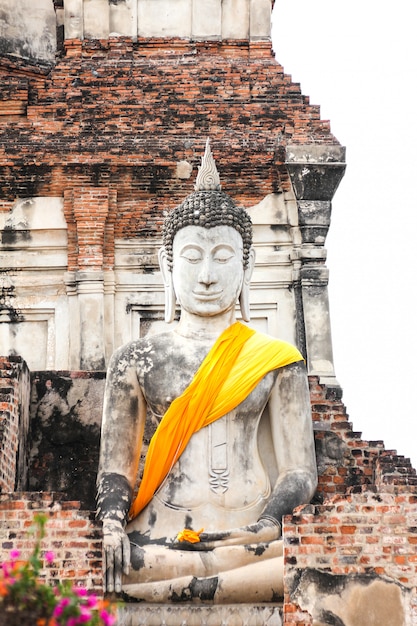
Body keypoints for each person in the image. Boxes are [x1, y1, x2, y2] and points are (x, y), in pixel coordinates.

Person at [96, 140, 317, 603]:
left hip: (253, 541)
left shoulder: (278, 358)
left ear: (248, 264)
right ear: (168, 265)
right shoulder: (136, 359)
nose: (208, 276)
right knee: (115, 573)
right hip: (155, 541)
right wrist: (113, 523)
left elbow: (299, 471)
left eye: (223, 256)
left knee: (302, 573)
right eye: (193, 258)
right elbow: (116, 470)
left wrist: (267, 523)